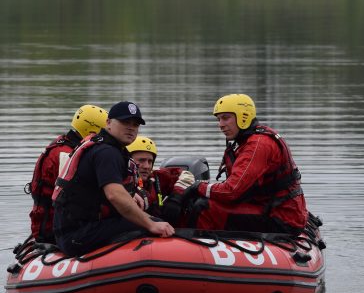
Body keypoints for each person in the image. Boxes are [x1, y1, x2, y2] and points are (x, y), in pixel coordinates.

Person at [52, 101, 174, 257]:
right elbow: (114, 194)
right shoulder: (107, 153)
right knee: (153, 225)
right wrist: (150, 224)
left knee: (154, 220)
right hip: (78, 235)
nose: (131, 128)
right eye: (125, 122)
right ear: (108, 123)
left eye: (135, 124)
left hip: (75, 230)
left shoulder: (107, 147)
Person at [177, 94, 308, 235]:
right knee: (200, 199)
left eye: (226, 118)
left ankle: (194, 246)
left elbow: (231, 191)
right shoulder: (248, 141)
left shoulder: (258, 145)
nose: (220, 124)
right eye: (219, 119)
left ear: (243, 117)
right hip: (268, 207)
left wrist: (197, 187)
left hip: (281, 218)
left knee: (204, 207)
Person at [26, 105, 107, 243]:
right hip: (56, 230)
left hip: (51, 224)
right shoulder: (66, 154)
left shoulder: (65, 145)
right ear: (93, 131)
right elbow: (71, 198)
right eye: (105, 132)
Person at [127, 135, 185, 217]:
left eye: (150, 161)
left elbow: (184, 175)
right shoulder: (120, 185)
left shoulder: (156, 177)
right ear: (129, 162)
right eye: (141, 160)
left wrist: (176, 196)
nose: (146, 166)